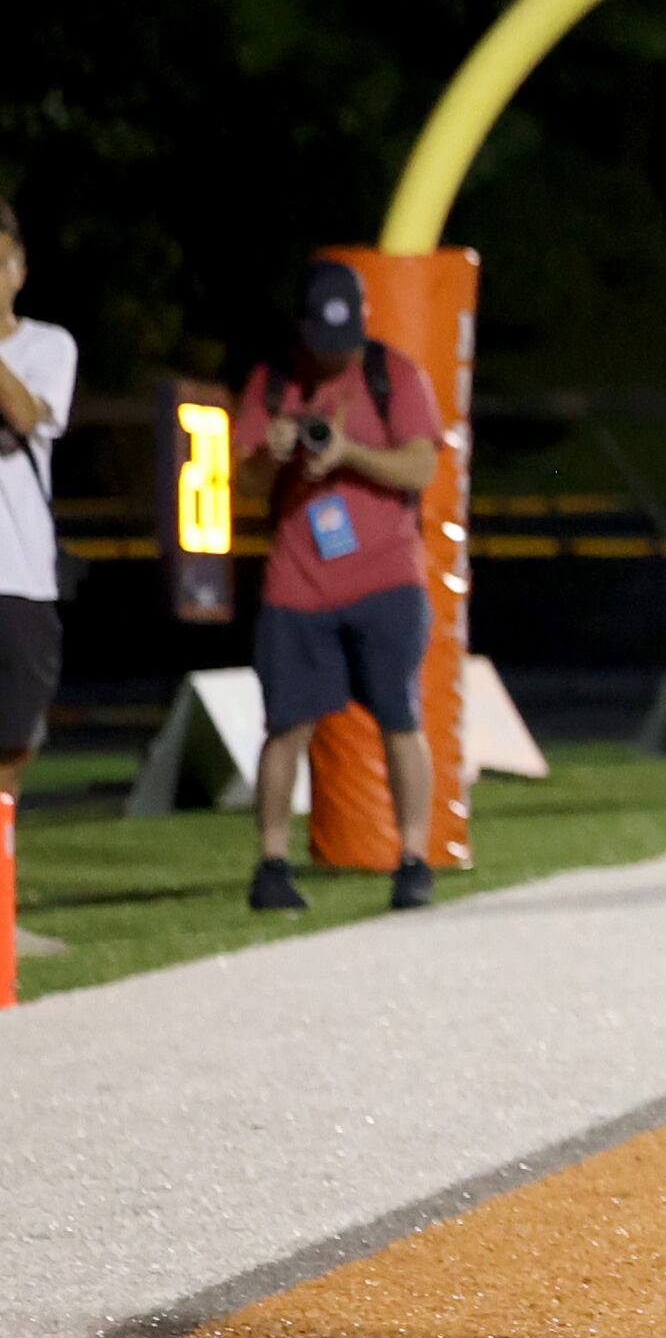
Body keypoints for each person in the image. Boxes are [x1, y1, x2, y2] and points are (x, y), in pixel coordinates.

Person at [235, 259, 446, 913]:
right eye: (323, 343)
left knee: (400, 718)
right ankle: (272, 866)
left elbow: (421, 463)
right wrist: (274, 451)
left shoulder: (395, 376)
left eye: (346, 340)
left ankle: (413, 860)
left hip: (386, 580)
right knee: (286, 727)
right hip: (297, 587)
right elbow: (243, 484)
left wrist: (348, 451)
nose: (336, 355)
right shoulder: (272, 384)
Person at [0, 201, 74, 961]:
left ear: (18, 273)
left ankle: (2, 911)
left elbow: (24, 414)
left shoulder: (49, 347)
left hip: (20, 577)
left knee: (15, 746)